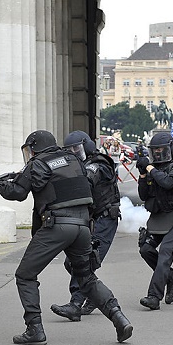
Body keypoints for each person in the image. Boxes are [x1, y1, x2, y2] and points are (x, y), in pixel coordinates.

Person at [0, 130, 132, 345]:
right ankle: (119, 317)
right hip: (83, 227)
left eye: (30, 149)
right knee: (86, 278)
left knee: (25, 275)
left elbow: (18, 192)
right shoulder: (74, 160)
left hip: (57, 226)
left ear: (35, 147)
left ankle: (34, 330)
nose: (29, 154)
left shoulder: (38, 163)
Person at [51, 130, 122, 320]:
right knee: (71, 262)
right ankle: (94, 295)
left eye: (77, 148)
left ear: (87, 146)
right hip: (92, 219)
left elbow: (88, 179)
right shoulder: (80, 165)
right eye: (70, 150)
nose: (74, 152)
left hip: (105, 219)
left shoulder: (98, 163)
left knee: (86, 260)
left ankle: (75, 304)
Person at [135, 132, 173, 310]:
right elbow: (144, 195)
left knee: (165, 253)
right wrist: (143, 176)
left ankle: (154, 296)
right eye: (155, 150)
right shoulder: (153, 168)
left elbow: (168, 183)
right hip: (159, 216)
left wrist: (151, 170)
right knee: (145, 249)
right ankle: (172, 279)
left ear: (171, 149)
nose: (158, 153)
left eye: (161, 149)